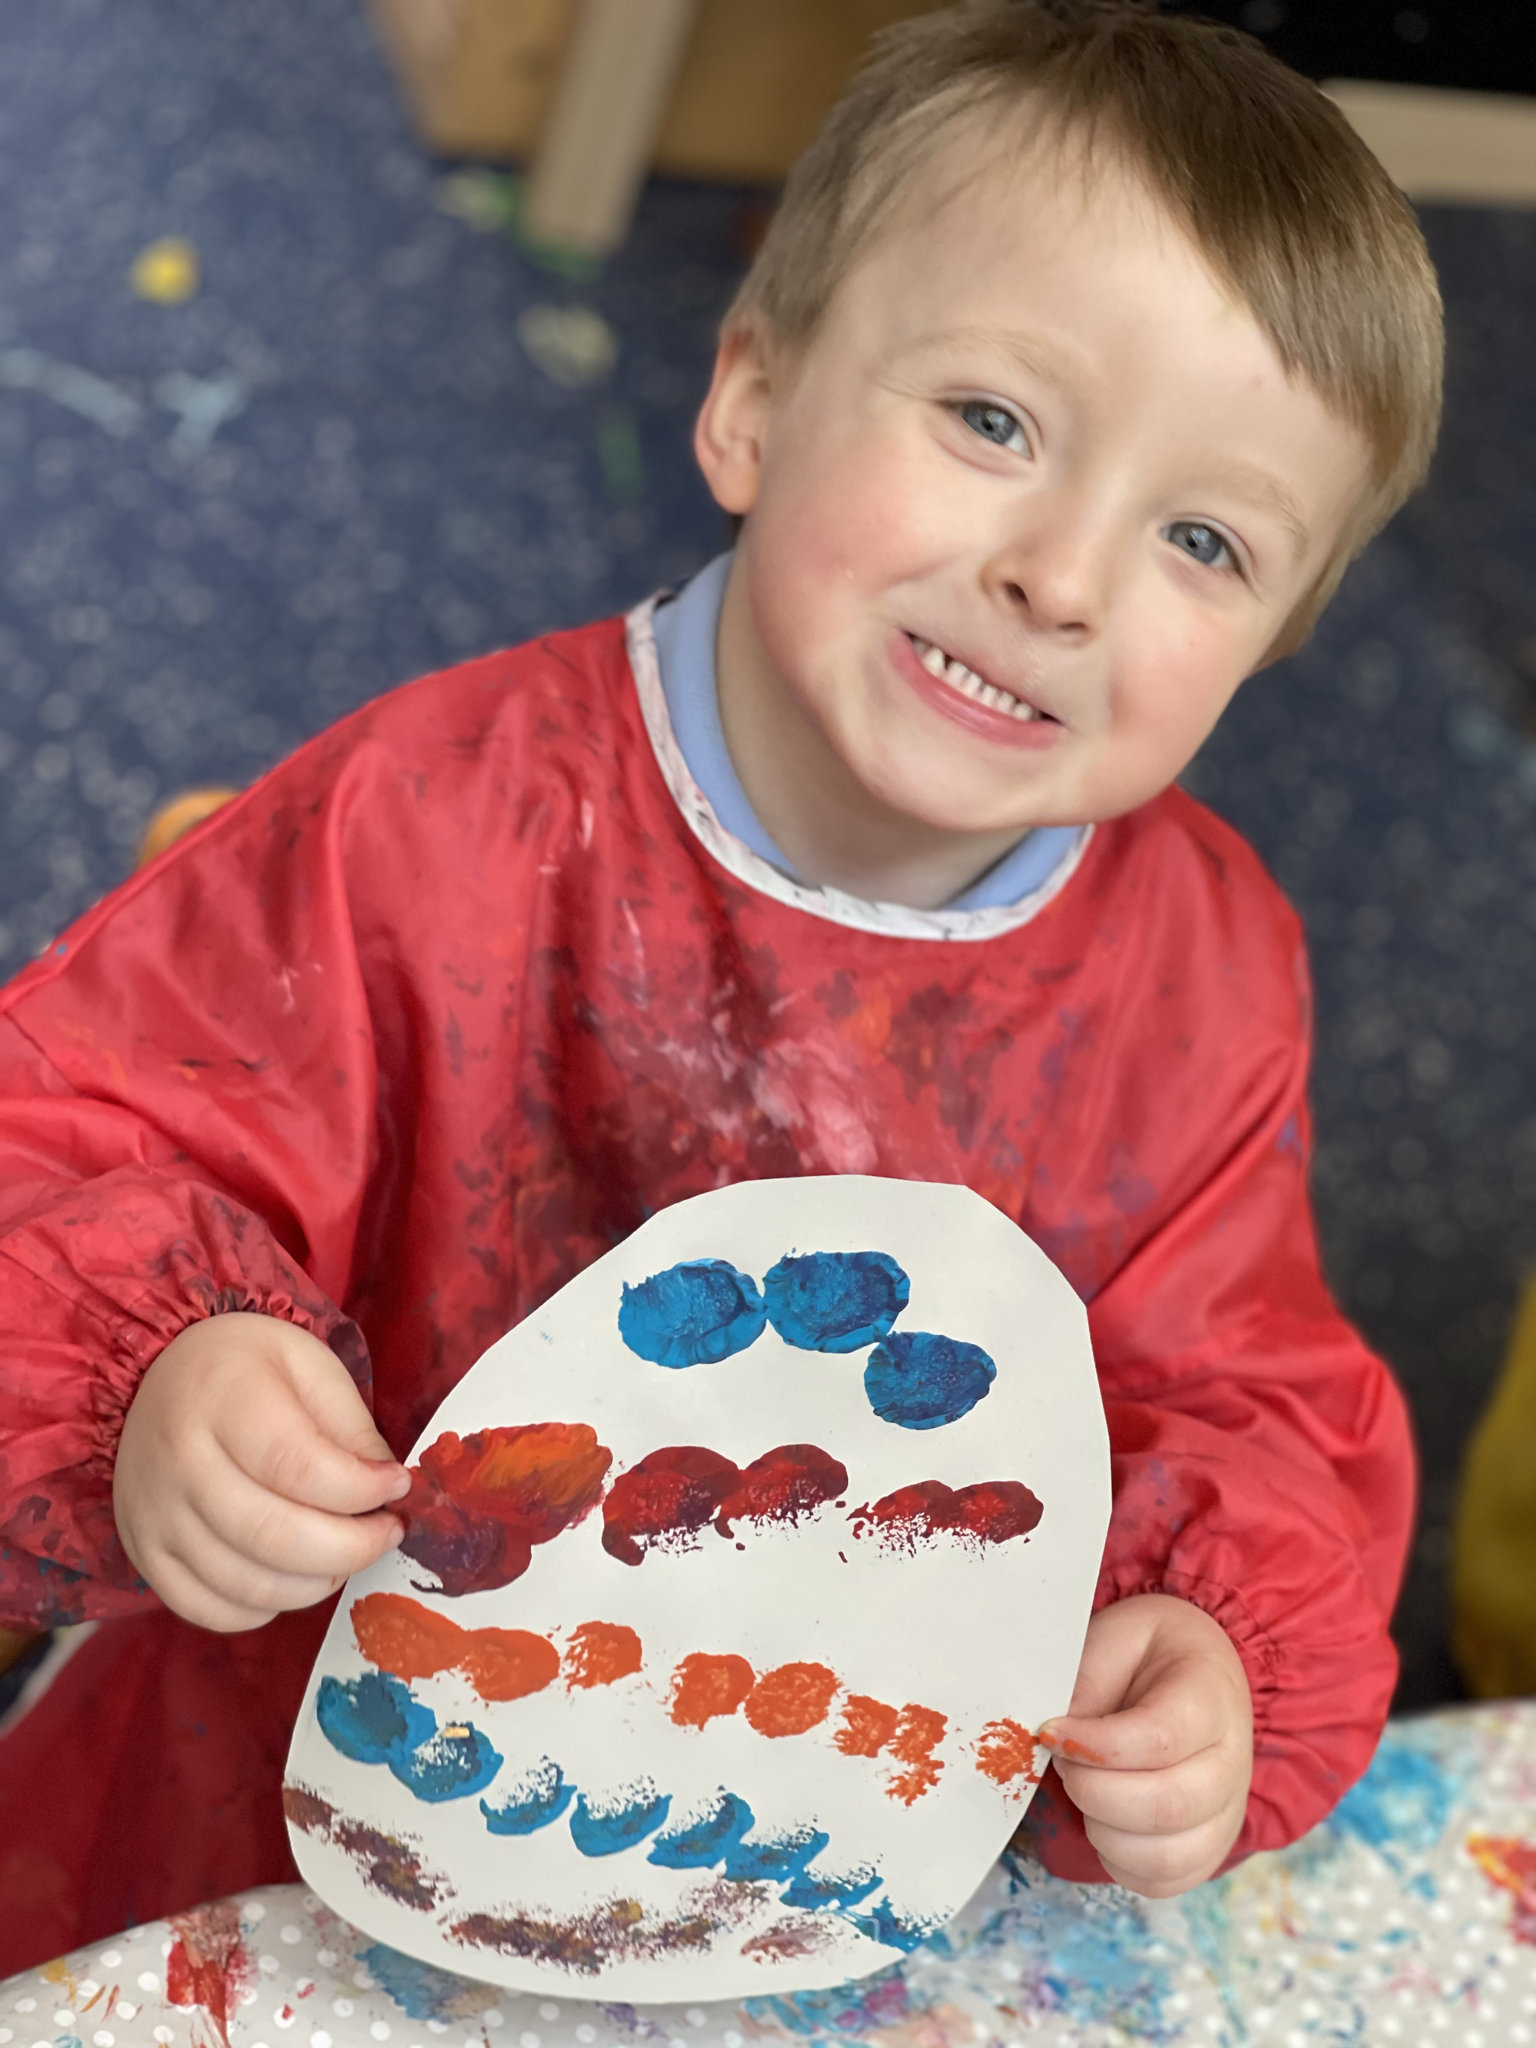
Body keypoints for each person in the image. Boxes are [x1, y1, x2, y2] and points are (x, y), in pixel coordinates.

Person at [0, 0, 1441, 1971]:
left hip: (810, 1840)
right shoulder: (429, 820)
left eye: (1202, 538)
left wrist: (1204, 1650)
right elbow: (71, 1135)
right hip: (277, 1770)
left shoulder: (1202, 968)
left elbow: (1237, 1387)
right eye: (994, 424)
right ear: (753, 397)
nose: (1066, 576)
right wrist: (159, 1378)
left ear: (1272, 649)